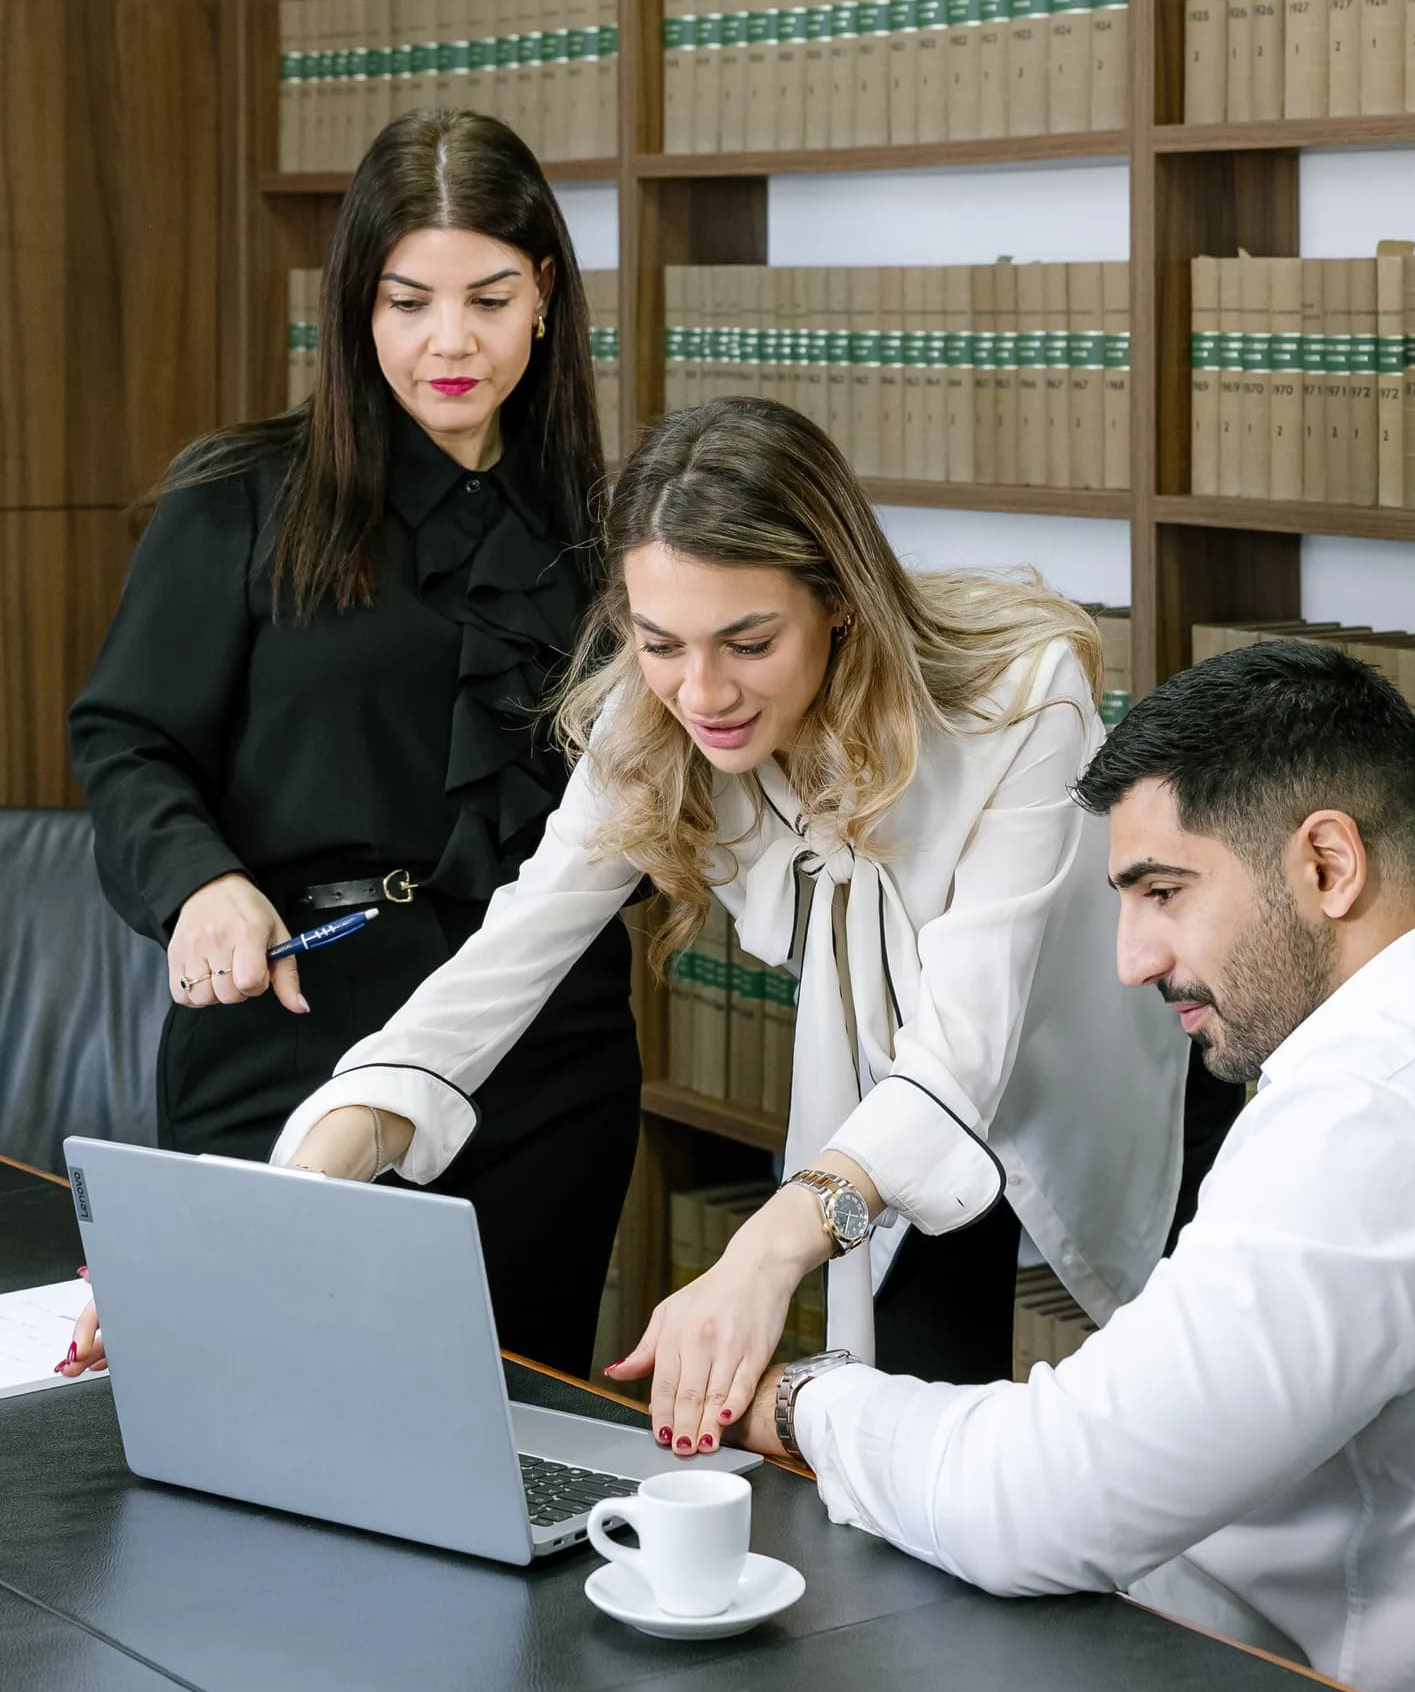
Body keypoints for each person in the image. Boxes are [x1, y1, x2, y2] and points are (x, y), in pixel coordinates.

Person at [268, 395, 1185, 1455]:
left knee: (1150, 1416)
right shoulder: (653, 720)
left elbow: (965, 1046)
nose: (702, 694)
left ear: (839, 600)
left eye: (748, 642)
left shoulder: (1018, 702)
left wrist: (760, 1255)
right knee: (921, 1429)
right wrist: (298, 1193)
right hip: (892, 1094)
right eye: (660, 642)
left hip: (1067, 1063)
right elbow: (505, 962)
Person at [730, 640, 1415, 1692]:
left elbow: (1038, 1504)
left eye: (1163, 892)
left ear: (1326, 865)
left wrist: (800, 1401)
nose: (1130, 960)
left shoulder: (1366, 1125)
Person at [62, 110, 639, 1376]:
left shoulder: (607, 526)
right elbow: (125, 737)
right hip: (292, 1013)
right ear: (355, 308)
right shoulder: (241, 496)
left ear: (543, 295)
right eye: (409, 301)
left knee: (504, 1419)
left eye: (489, 298)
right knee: (263, 1405)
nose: (451, 342)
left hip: (545, 1045)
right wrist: (198, 884)